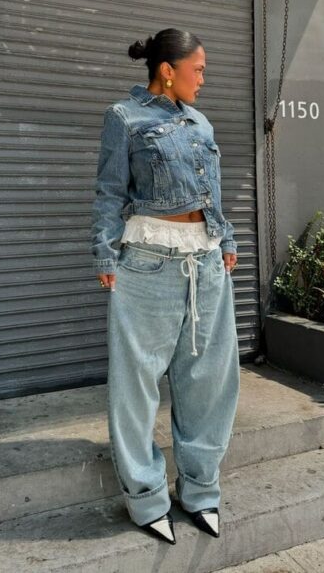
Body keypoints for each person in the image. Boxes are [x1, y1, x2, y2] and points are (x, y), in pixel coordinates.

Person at [90, 28, 240, 545]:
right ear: (167, 69)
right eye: (198, 68)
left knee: (210, 383)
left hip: (207, 262)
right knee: (135, 387)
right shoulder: (124, 118)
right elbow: (110, 192)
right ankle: (147, 498)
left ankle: (200, 491)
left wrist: (228, 239)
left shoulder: (201, 121)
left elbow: (213, 189)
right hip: (147, 263)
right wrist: (106, 251)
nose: (204, 78)